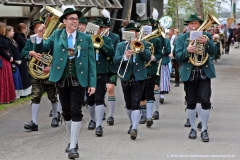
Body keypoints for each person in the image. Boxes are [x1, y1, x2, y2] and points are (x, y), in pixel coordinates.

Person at [34, 6, 96, 159]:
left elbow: (91, 62)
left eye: (76, 19)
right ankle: (72, 140)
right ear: (65, 21)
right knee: (66, 112)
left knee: (76, 111)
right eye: (72, 19)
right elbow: (42, 48)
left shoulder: (85, 38)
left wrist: (92, 83)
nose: (75, 21)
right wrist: (40, 36)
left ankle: (74, 146)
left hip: (79, 79)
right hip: (61, 79)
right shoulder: (56, 35)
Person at [174, 14, 217, 142]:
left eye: (196, 24)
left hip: (204, 72)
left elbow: (214, 52)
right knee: (191, 102)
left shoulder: (207, 36)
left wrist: (207, 43)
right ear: (188, 25)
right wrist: (187, 51)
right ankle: (193, 128)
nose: (193, 26)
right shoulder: (181, 38)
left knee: (205, 100)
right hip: (190, 73)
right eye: (191, 24)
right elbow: (178, 56)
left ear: (200, 25)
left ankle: (204, 129)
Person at [113, 22, 151, 140]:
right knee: (128, 104)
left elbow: (148, 57)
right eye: (129, 32)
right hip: (126, 77)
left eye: (133, 32)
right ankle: (132, 123)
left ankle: (134, 128)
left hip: (139, 77)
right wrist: (125, 57)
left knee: (135, 103)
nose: (131, 33)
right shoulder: (121, 45)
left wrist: (140, 49)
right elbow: (115, 60)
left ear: (136, 33)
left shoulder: (143, 43)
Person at [21, 17, 60, 132]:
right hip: (36, 74)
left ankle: (55, 116)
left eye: (41, 26)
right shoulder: (30, 40)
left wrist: (52, 67)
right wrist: (30, 52)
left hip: (49, 72)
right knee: (35, 96)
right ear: (34, 29)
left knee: (53, 96)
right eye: (36, 27)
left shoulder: (52, 40)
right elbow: (22, 53)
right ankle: (34, 122)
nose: (39, 28)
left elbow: (58, 57)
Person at [86, 18, 114, 136]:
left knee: (99, 98)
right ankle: (92, 119)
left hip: (101, 72)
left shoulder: (106, 39)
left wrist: (101, 44)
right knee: (90, 100)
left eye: (99, 28)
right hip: (87, 73)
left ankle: (98, 125)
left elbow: (111, 53)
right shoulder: (85, 39)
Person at [101, 9, 120, 125]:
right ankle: (101, 111)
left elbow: (116, 52)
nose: (104, 29)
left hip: (111, 67)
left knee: (110, 89)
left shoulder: (115, 37)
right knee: (100, 90)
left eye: (106, 27)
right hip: (100, 66)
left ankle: (111, 115)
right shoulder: (96, 37)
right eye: (102, 27)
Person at [13, 23, 32, 97]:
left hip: (23, 57)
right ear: (23, 29)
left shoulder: (19, 37)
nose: (26, 30)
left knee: (25, 75)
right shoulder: (20, 37)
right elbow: (25, 46)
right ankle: (24, 92)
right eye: (26, 29)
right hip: (22, 57)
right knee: (24, 75)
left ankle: (27, 91)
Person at [0, 22, 16, 104]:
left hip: (6, 59)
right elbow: (1, 51)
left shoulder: (4, 38)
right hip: (3, 60)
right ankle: (3, 98)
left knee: (8, 78)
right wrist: (9, 57)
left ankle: (8, 97)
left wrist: (11, 56)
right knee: (3, 78)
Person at [5, 25, 23, 99]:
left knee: (18, 78)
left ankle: (17, 93)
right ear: (8, 32)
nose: (14, 32)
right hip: (13, 62)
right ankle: (14, 94)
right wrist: (14, 60)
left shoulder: (12, 40)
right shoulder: (7, 41)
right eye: (12, 31)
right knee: (14, 78)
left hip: (17, 61)